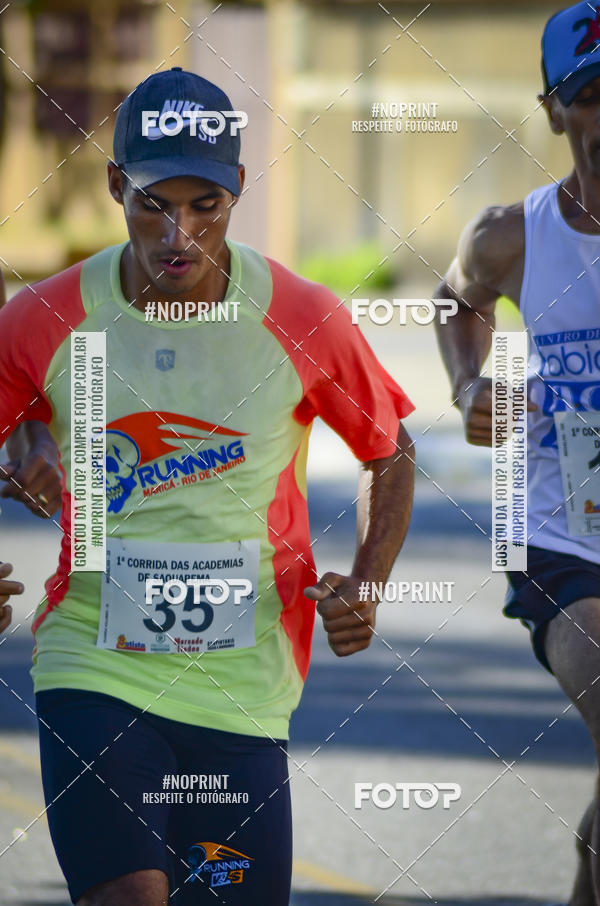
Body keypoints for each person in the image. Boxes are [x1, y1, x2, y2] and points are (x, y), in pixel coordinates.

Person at [0, 68, 415, 905]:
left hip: (247, 690)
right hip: (94, 663)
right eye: (154, 202)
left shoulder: (303, 318)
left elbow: (389, 449)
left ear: (238, 192)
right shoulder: (43, 317)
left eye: (205, 206)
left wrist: (367, 584)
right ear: (117, 184)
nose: (177, 233)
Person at [435, 3, 600, 904]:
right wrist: (468, 387)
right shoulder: (516, 233)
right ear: (554, 112)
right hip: (563, 539)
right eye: (594, 98)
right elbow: (455, 300)